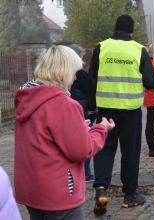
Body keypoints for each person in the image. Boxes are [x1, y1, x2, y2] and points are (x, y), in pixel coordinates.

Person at [14, 45, 115, 220]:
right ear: (63, 72)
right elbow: (82, 150)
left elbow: (45, 137)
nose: (75, 77)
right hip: (58, 194)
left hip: (31, 190)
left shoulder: (27, 98)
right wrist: (101, 129)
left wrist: (79, 127)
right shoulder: (64, 104)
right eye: (74, 72)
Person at [86, 14, 154, 215]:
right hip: (131, 111)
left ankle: (101, 189)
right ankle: (130, 195)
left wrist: (91, 110)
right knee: (130, 151)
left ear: (115, 29)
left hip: (106, 110)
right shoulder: (139, 49)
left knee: (104, 149)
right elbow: (151, 83)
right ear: (131, 31)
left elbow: (91, 81)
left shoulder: (102, 47)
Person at [68, 43, 95, 183]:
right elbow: (88, 89)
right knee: (85, 140)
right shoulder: (78, 73)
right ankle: (85, 173)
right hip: (82, 108)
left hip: (76, 107)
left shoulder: (66, 71)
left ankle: (82, 173)